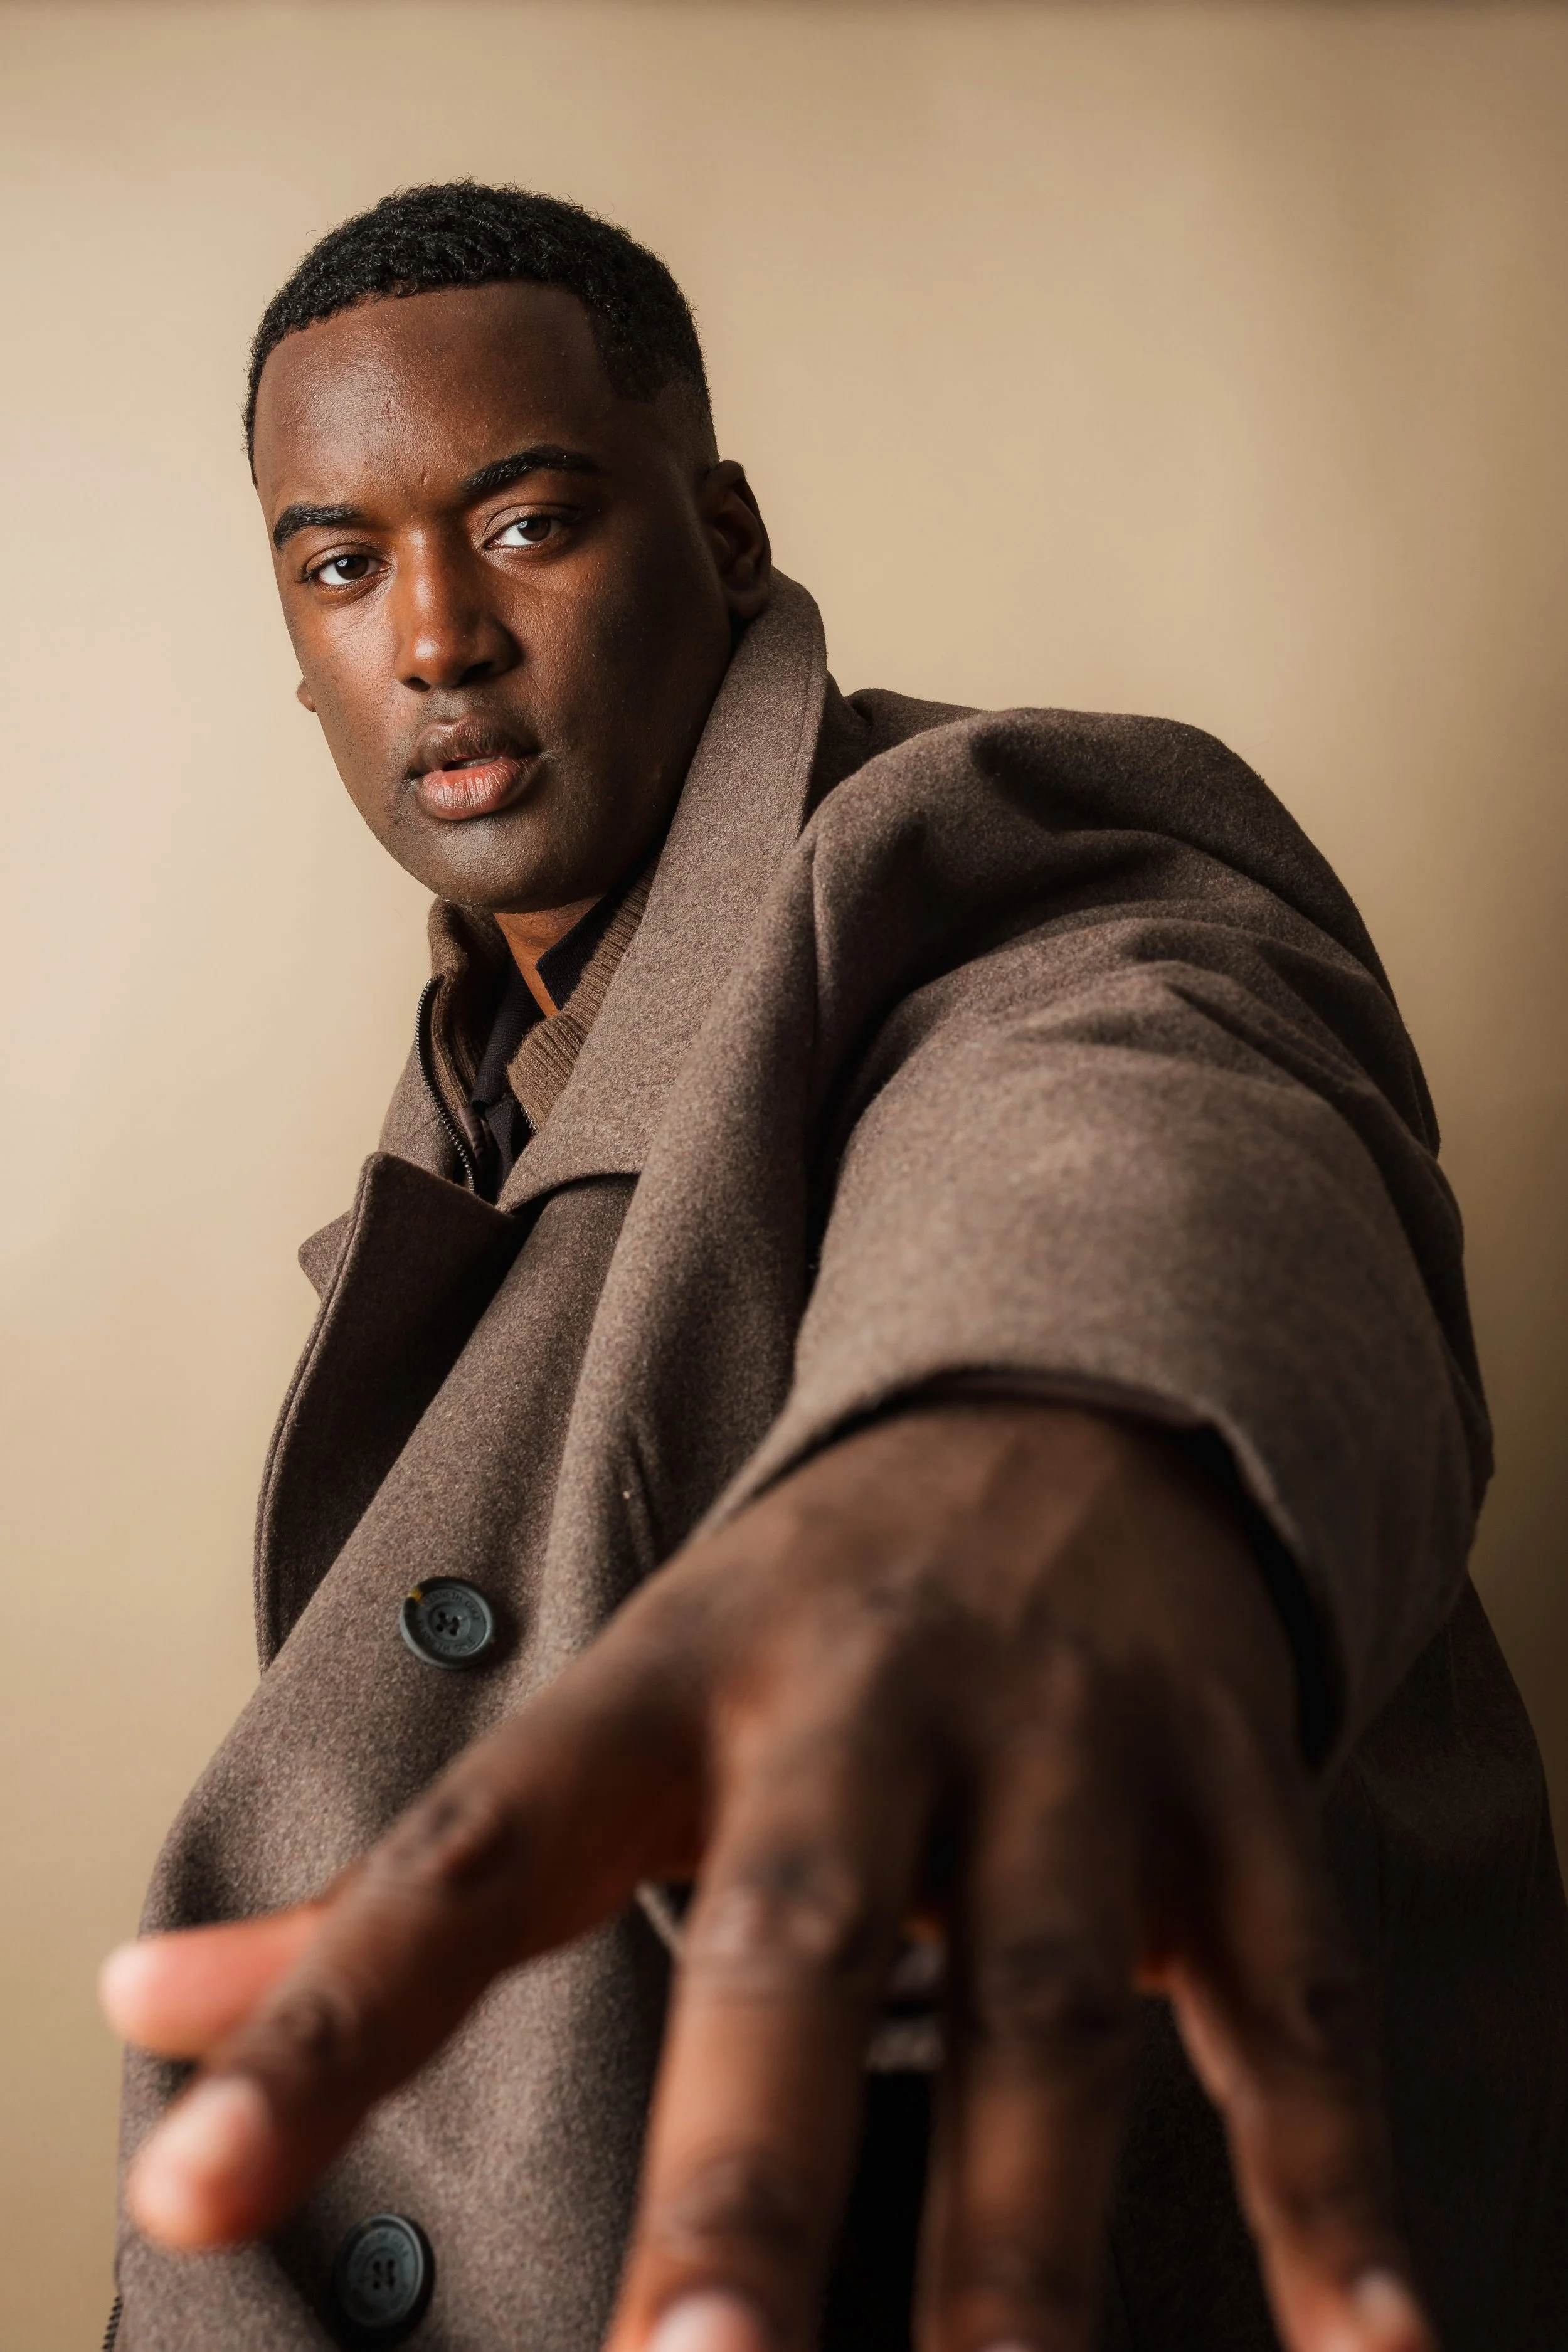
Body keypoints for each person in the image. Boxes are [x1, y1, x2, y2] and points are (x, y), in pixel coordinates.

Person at [98, 183, 1568, 2352]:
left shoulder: (975, 850)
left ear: (724, 531)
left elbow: (1124, 1076)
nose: (431, 637)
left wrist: (1058, 1443)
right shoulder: (474, 1086)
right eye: (340, 564)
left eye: (524, 524)